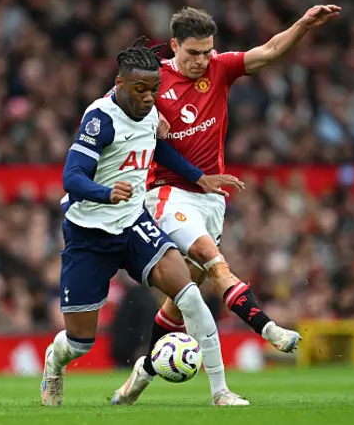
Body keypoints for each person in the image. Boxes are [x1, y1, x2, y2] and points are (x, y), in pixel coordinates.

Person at [113, 4, 341, 405]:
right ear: (173, 47)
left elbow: (269, 51)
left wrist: (303, 25)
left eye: (207, 51)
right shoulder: (153, 81)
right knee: (211, 258)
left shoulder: (219, 68)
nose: (202, 61)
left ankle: (144, 371)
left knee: (184, 296)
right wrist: (145, 115)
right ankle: (265, 333)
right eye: (193, 53)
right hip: (167, 194)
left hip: (211, 201)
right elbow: (111, 103)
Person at [41, 37, 246, 407]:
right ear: (118, 85)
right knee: (80, 343)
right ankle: (55, 361)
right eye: (140, 90)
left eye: (154, 89)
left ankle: (220, 391)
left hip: (134, 223)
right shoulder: (100, 119)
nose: (150, 97)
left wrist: (199, 177)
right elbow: (72, 177)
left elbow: (159, 146)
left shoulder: (149, 111)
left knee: (189, 293)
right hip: (89, 233)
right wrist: (106, 193)